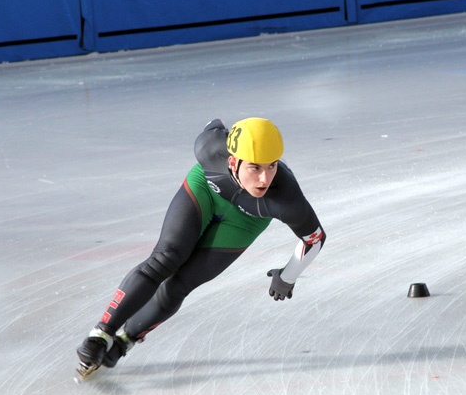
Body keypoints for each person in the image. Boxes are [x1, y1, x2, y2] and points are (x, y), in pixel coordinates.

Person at [75, 117, 326, 379]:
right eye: (255, 167)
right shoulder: (209, 148)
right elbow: (214, 123)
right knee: (165, 258)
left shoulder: (286, 198)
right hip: (206, 189)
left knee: (179, 285)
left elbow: (315, 237)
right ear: (232, 161)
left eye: (272, 166)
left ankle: (126, 339)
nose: (265, 178)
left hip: (246, 220)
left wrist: (288, 277)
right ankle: (101, 334)